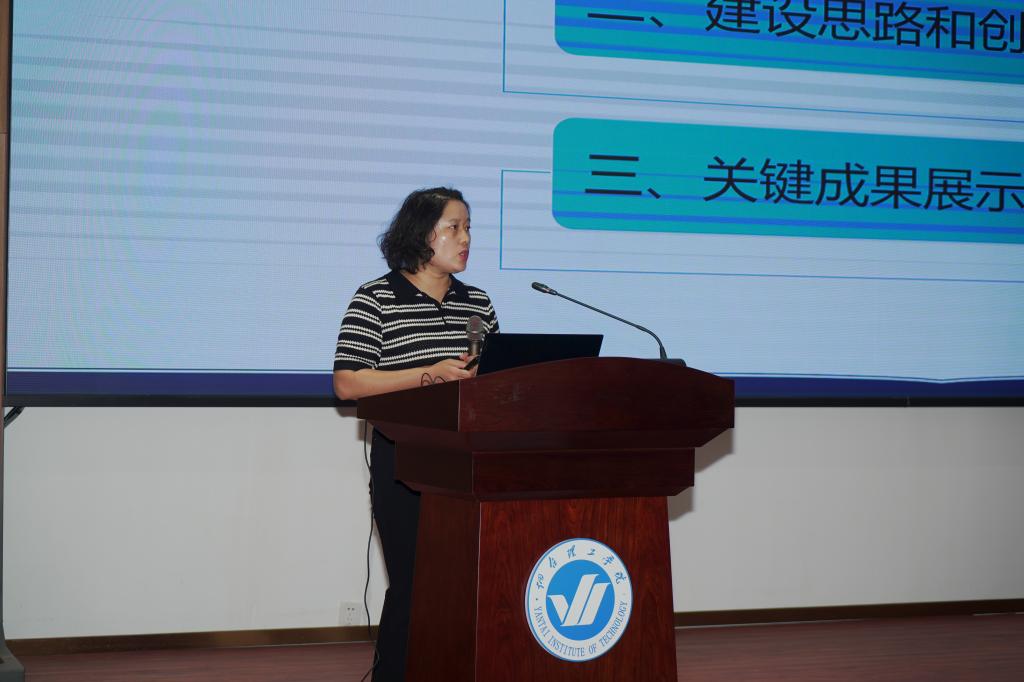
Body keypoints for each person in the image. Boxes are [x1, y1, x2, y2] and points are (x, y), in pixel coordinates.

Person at [333, 187, 498, 681]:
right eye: (454, 227)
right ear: (422, 234)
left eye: (469, 228)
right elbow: (348, 382)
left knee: (469, 584)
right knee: (413, 584)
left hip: (471, 464)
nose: (466, 239)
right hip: (405, 462)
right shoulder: (376, 297)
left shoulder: (478, 303)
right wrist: (430, 374)